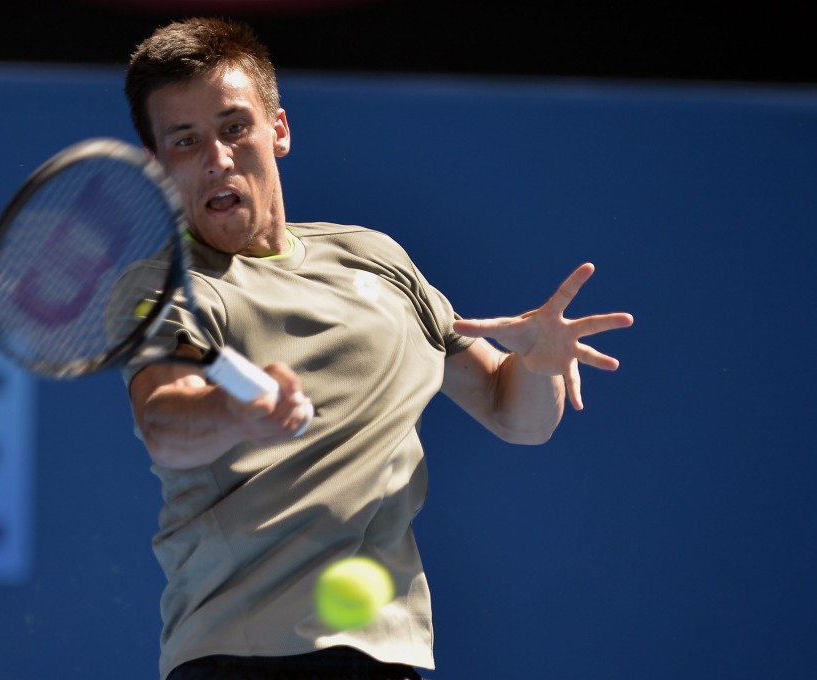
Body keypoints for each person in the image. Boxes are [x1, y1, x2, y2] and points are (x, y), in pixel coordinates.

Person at [119, 17, 633, 680]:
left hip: (387, 655)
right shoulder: (166, 286)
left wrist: (535, 366)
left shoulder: (375, 258)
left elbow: (516, 417)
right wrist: (236, 412)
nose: (217, 157)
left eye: (234, 127)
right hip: (239, 655)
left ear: (278, 129)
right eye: (185, 141)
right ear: (158, 163)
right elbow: (165, 418)